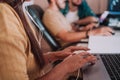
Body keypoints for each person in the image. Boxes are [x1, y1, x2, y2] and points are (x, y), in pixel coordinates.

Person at [0, 0, 97, 80]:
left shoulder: (15, 10)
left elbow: (25, 61)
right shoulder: (4, 16)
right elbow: (66, 36)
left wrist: (54, 55)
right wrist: (66, 67)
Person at [43, 0, 114, 46]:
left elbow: (71, 31)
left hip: (77, 42)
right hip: (73, 46)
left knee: (107, 41)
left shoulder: (57, 13)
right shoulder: (50, 15)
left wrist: (84, 29)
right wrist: (92, 33)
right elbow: (66, 37)